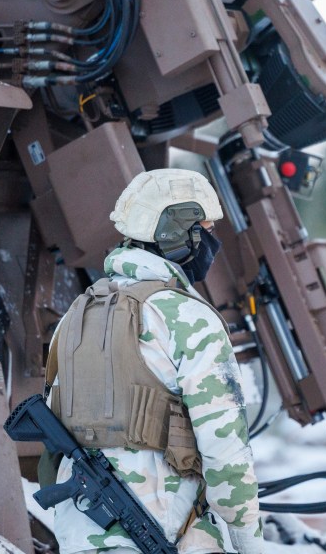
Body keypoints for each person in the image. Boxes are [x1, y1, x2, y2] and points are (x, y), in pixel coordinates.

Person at [48, 168, 265, 554]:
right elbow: (226, 452)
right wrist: (250, 543)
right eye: (205, 228)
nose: (211, 241)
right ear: (178, 234)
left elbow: (55, 426)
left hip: (79, 533)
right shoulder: (188, 319)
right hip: (169, 528)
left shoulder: (75, 315)